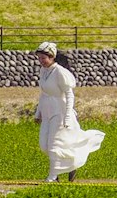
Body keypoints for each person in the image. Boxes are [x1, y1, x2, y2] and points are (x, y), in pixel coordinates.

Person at [34, 41, 105, 183]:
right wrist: (38, 113)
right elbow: (43, 93)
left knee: (55, 146)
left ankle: (52, 177)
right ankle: (70, 163)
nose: (41, 61)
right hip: (48, 112)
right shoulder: (44, 71)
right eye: (40, 58)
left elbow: (69, 95)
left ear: (52, 57)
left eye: (44, 58)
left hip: (59, 113)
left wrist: (67, 117)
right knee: (45, 145)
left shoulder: (60, 72)